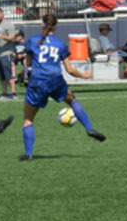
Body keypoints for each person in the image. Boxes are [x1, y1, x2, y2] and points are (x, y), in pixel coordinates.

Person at [21, 14, 106, 161]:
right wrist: (84, 75)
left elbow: (27, 63)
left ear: (42, 25)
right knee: (72, 99)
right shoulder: (60, 44)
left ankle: (29, 154)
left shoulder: (33, 41)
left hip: (38, 81)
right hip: (56, 80)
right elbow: (70, 70)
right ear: (55, 27)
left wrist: (25, 68)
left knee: (28, 119)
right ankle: (89, 128)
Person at [0, 7, 17, 99]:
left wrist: (2, 37)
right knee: (1, 75)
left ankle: (13, 93)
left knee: (8, 74)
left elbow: (12, 38)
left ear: (2, 13)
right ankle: (4, 93)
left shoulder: (8, 24)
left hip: (6, 53)